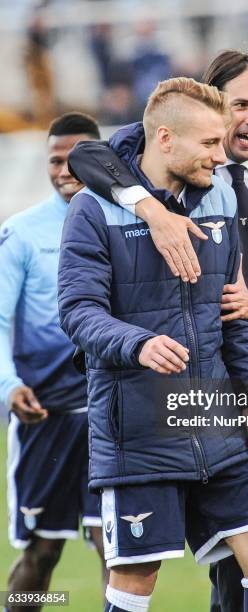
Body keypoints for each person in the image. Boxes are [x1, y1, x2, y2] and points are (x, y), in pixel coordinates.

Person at [67, 51, 248, 611]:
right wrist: (137, 341)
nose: (240, 131)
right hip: (140, 421)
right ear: (166, 135)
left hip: (222, 407)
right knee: (136, 578)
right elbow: (78, 312)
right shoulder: (99, 200)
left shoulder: (242, 192)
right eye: (236, 111)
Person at [0, 112, 106, 612]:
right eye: (54, 160)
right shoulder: (20, 233)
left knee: (120, 547)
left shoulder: (131, 223)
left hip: (112, 415)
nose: (64, 170)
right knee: (42, 554)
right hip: (47, 417)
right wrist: (8, 385)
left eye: (74, 159)